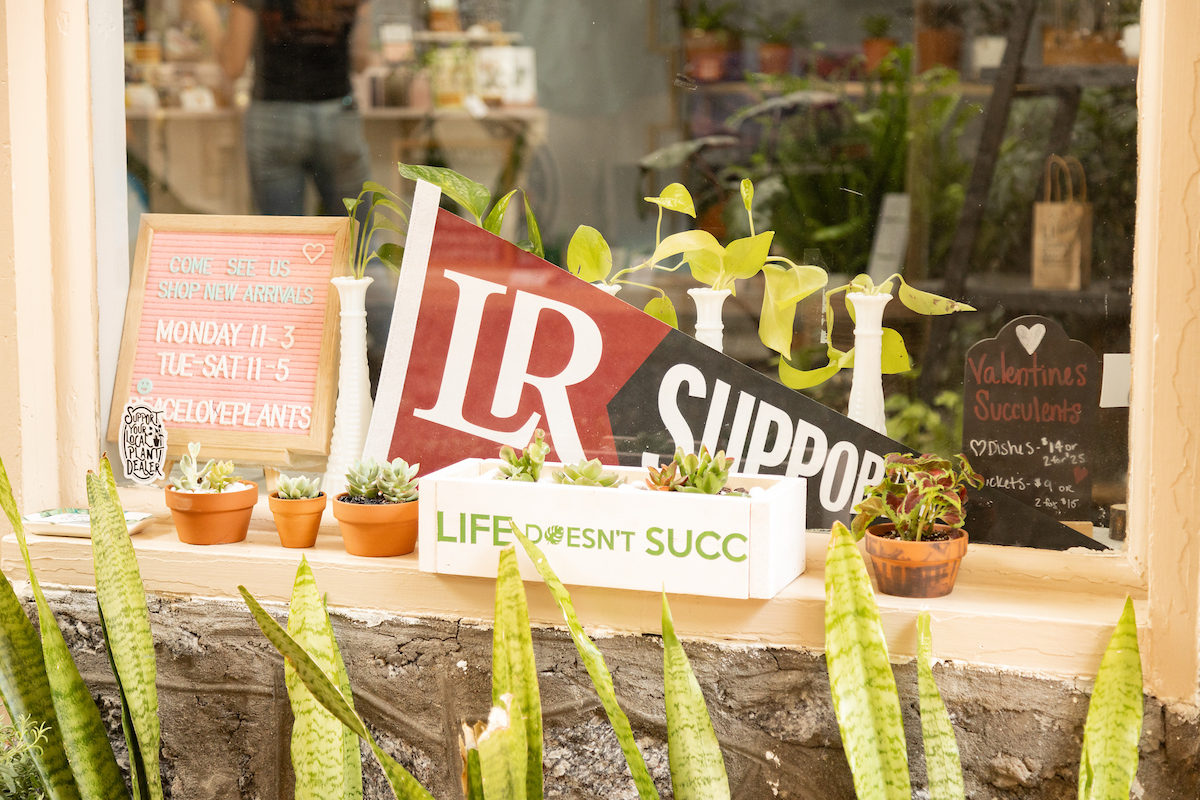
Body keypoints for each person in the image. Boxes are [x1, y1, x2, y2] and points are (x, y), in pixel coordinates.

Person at [188, 0, 373, 215]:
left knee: (283, 239)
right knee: (357, 237)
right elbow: (360, 60)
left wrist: (205, 15)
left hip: (274, 117)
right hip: (336, 114)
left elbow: (233, 65)